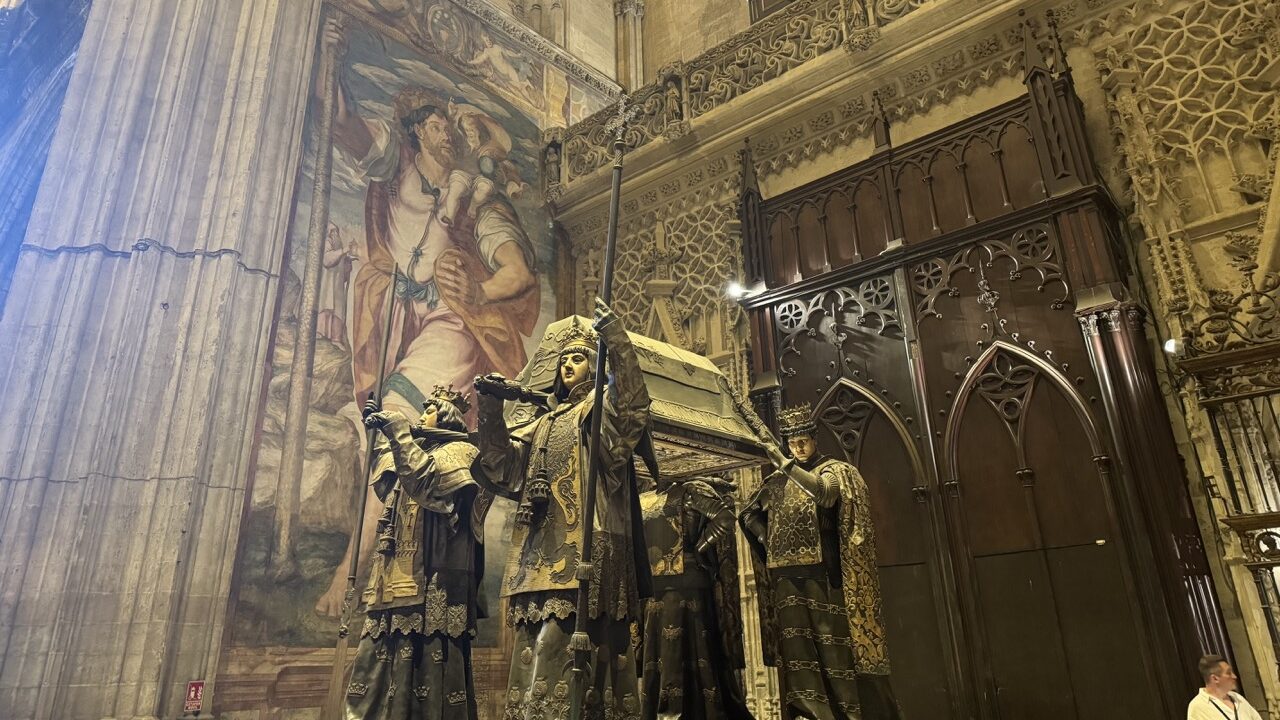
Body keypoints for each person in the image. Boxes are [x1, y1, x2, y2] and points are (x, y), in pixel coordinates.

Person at [315, 16, 539, 616]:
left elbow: (519, 274)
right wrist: (331, 59)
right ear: (414, 136)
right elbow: (340, 123)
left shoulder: (476, 198)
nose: (446, 133)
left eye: (448, 124)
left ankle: (349, 573)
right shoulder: (396, 174)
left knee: (393, 422)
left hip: (451, 329)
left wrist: (480, 287)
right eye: (435, 125)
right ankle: (399, 557)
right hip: (395, 319)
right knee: (386, 437)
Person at [473, 300, 651, 720]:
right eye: (564, 358)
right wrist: (490, 407)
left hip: (588, 549)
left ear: (595, 363)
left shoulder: (597, 409)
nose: (567, 365)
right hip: (537, 553)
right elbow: (500, 467)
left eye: (578, 357)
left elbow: (630, 410)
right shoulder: (543, 421)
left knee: (566, 652)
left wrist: (618, 344)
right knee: (532, 654)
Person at [738, 403, 900, 720]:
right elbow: (748, 514)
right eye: (792, 442)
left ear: (815, 440)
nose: (798, 448)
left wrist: (787, 466)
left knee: (832, 648)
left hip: (824, 573)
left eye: (803, 441)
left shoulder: (834, 470)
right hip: (785, 574)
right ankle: (808, 712)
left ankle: (847, 712)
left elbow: (825, 494)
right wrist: (765, 540)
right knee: (797, 650)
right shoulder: (776, 480)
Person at [344, 385, 485, 720]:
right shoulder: (419, 447)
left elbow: (424, 482)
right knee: (379, 656)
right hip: (395, 573)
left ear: (448, 414)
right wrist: (379, 430)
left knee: (430, 657)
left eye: (431, 408)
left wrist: (397, 430)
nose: (423, 414)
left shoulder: (461, 453)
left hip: (437, 576)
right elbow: (390, 477)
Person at [638, 475, 754, 720]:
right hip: (655, 586)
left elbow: (724, 518)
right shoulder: (644, 497)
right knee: (660, 654)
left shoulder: (691, 489)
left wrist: (699, 548)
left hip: (688, 583)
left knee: (692, 648)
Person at [1187, 655, 1264, 720]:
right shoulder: (1197, 707)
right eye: (1229, 673)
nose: (1234, 676)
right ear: (1215, 678)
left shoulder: (1238, 698)